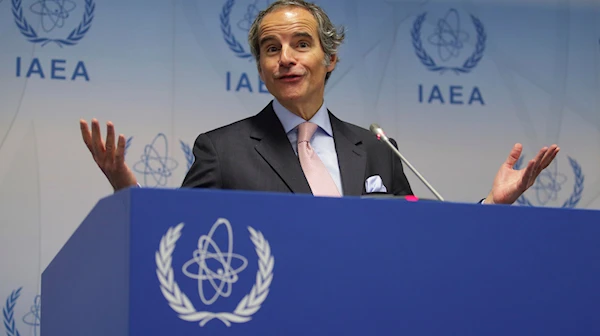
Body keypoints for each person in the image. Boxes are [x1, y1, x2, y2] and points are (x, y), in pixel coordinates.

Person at [79, 0, 559, 204]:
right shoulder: (221, 150)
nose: (286, 59)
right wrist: (126, 187)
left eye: (301, 44)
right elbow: (176, 237)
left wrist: (490, 205)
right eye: (271, 48)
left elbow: (419, 232)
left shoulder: (376, 149)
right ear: (262, 66)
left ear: (329, 58)